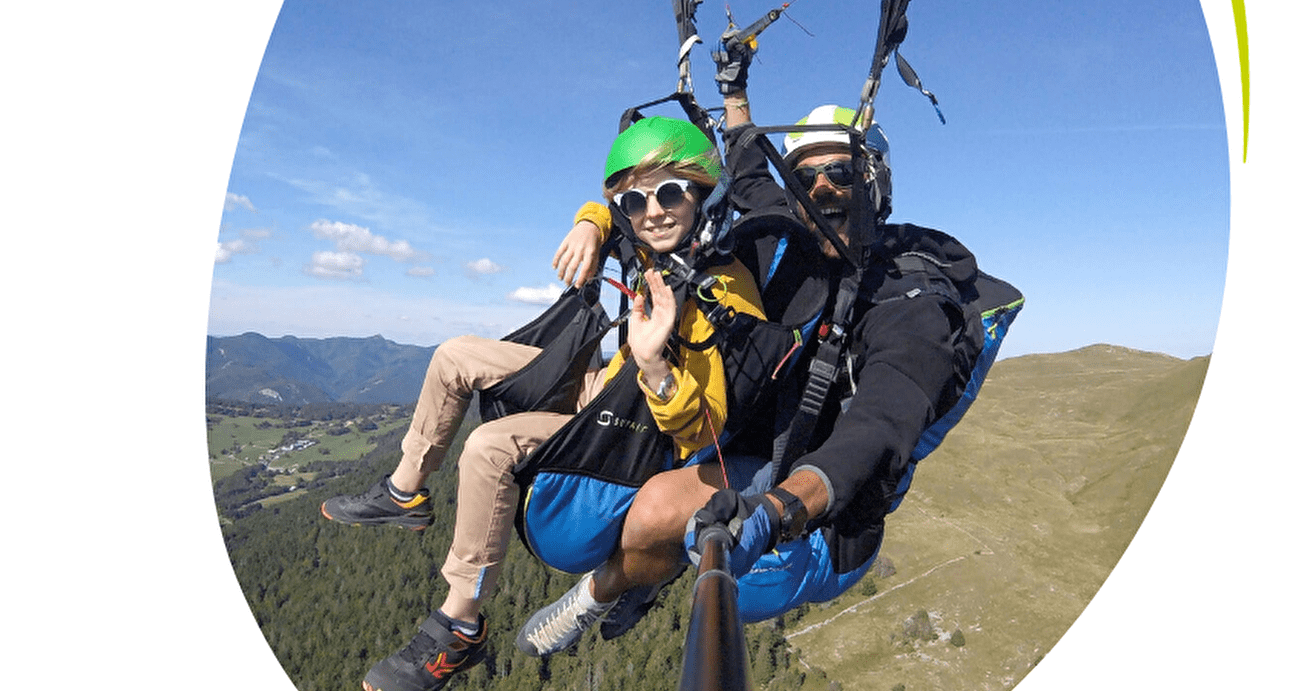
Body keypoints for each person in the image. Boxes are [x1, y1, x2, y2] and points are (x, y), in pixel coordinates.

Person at [515, 59, 1012, 653]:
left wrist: (778, 511)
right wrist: (735, 91)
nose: (823, 189)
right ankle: (656, 562)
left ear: (876, 185)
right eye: (807, 179)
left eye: (842, 173)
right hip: (757, 437)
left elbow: (882, 425)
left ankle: (601, 593)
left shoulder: (910, 305)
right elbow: (750, 166)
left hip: (824, 506)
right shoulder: (795, 241)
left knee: (655, 517)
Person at [320, 115, 765, 691]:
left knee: (487, 448)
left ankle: (459, 625)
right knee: (456, 355)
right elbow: (612, 212)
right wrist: (591, 221)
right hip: (607, 386)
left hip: (634, 426)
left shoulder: (721, 292)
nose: (652, 211)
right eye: (636, 200)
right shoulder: (654, 242)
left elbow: (703, 433)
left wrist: (655, 366)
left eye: (671, 193)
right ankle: (405, 492)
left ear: (705, 196)